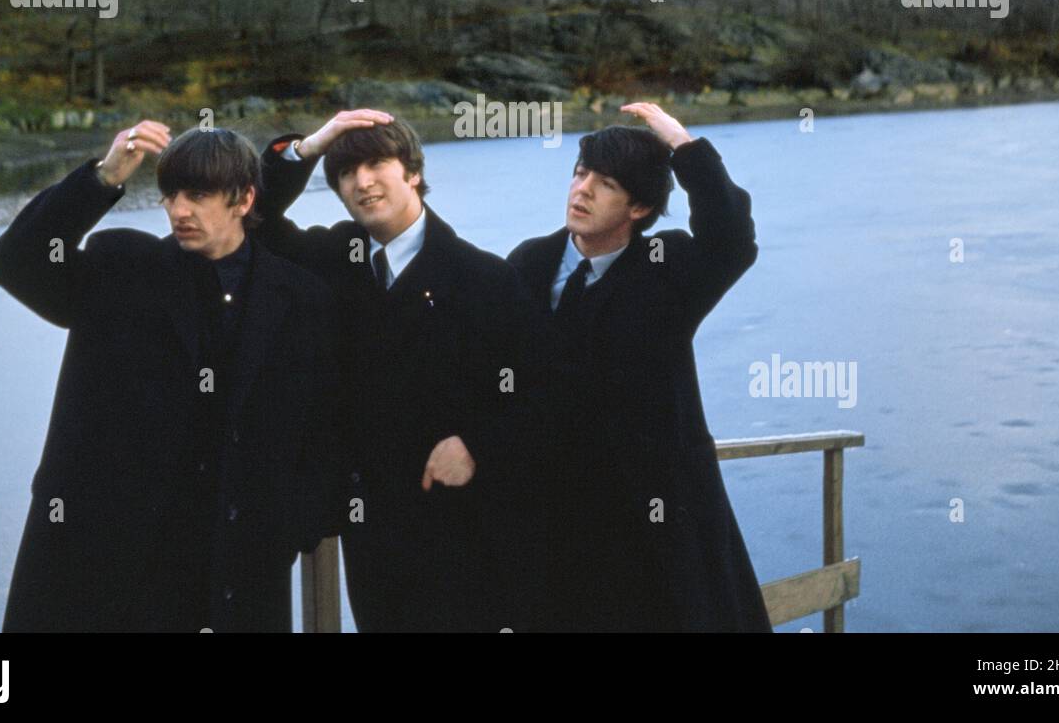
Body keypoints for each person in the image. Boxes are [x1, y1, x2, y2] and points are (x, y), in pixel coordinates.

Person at [0, 122, 341, 632]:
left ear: (243, 199)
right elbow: (15, 263)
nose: (179, 210)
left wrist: (286, 527)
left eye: (197, 195)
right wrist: (104, 177)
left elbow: (321, 429)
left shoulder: (299, 297)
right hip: (105, 565)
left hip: (234, 572)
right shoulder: (120, 269)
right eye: (170, 195)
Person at [253, 110, 560, 632]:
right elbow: (252, 221)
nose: (362, 182)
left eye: (377, 164)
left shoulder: (482, 275)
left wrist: (477, 444)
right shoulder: (334, 256)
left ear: (412, 172)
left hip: (459, 520)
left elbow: (542, 391)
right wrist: (311, 147)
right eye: (347, 172)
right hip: (369, 522)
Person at [507, 102, 773, 632]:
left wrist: (684, 147)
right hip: (559, 514)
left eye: (603, 183)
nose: (581, 190)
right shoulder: (528, 263)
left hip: (658, 517)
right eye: (580, 174)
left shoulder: (667, 267)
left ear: (639, 207)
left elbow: (732, 242)